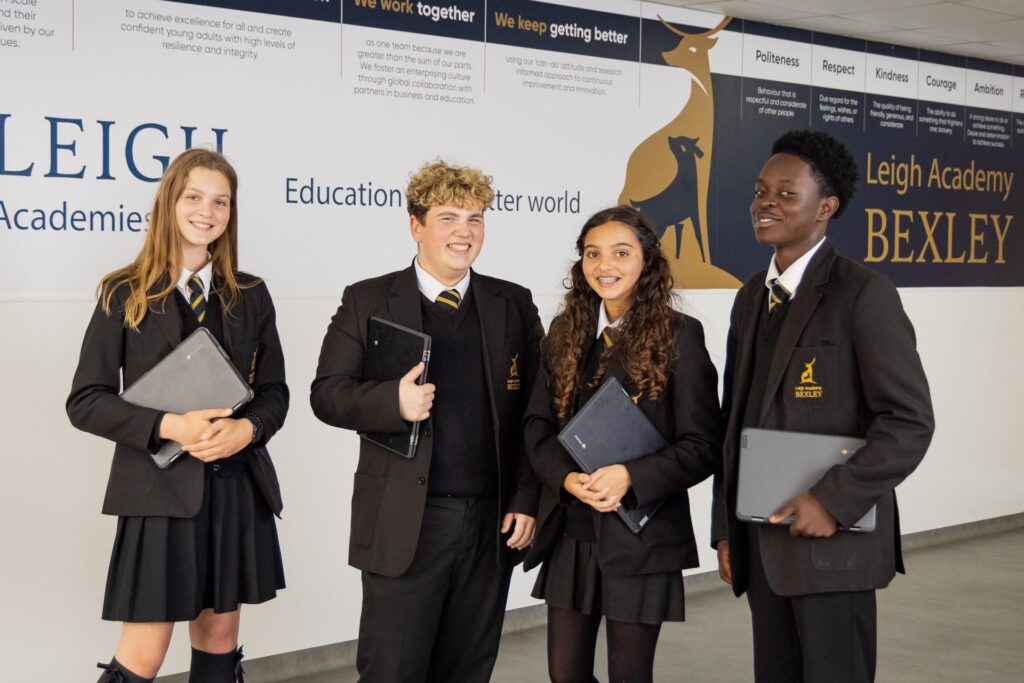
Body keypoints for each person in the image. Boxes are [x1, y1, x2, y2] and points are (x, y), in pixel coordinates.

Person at [711, 130, 934, 682]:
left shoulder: (864, 293)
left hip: (835, 547)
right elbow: (733, 422)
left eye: (786, 193)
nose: (765, 203)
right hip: (762, 547)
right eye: (761, 191)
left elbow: (908, 422)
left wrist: (832, 501)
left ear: (825, 207)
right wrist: (725, 528)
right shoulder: (750, 298)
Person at [310, 159, 542, 682]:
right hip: (405, 521)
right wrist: (391, 402)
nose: (464, 231)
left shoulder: (513, 302)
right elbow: (326, 395)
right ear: (415, 226)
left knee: (467, 670)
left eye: (475, 218)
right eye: (448, 218)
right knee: (391, 671)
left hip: (491, 525)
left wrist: (528, 498)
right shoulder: (368, 299)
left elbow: (538, 411)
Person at [67, 148, 288, 683]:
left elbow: (274, 393)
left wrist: (246, 430)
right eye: (194, 197)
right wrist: (171, 427)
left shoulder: (251, 294)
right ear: (169, 201)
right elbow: (86, 400)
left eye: (221, 201)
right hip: (157, 494)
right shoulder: (123, 293)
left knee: (218, 644)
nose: (206, 211)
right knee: (142, 655)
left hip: (235, 489)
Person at [523, 205, 723, 683]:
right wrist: (567, 479)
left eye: (621, 252)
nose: (604, 265)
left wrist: (631, 477)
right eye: (593, 253)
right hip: (573, 533)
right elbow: (535, 426)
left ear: (646, 260)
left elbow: (703, 444)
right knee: (564, 675)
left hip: (642, 535)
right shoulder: (565, 332)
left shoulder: (680, 335)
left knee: (630, 676)